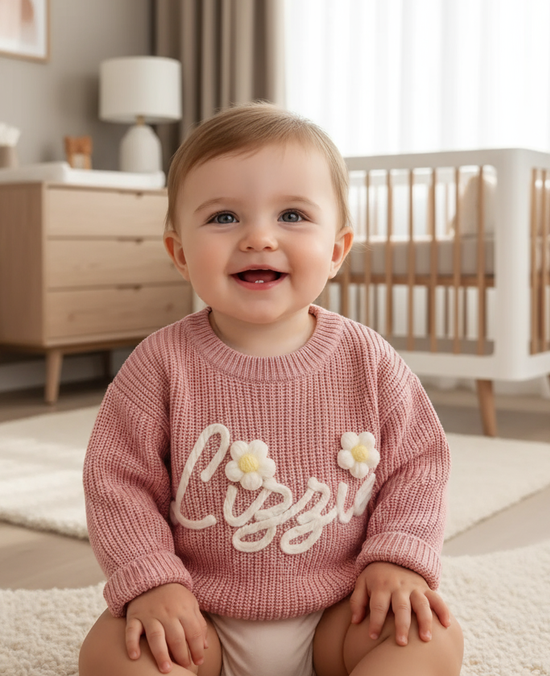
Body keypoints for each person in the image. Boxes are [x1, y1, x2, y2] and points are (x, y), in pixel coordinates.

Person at [79, 102, 463, 676]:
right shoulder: (159, 365)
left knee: (433, 635)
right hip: (196, 616)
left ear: (336, 249)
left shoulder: (369, 360)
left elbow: (419, 465)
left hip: (340, 610)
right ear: (181, 254)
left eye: (291, 215)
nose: (259, 237)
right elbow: (117, 481)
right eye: (224, 218)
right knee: (112, 653)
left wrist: (399, 559)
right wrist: (152, 580)